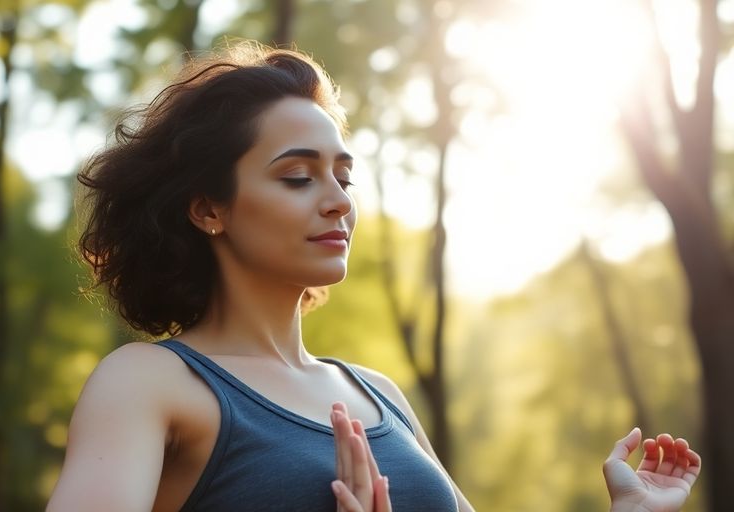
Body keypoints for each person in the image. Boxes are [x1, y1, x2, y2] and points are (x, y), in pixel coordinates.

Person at [46, 42, 702, 512]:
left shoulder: (379, 395)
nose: (336, 199)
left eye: (344, 176)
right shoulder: (149, 383)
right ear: (208, 209)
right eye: (298, 176)